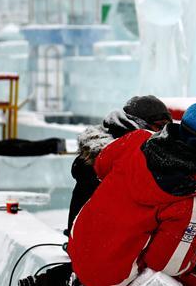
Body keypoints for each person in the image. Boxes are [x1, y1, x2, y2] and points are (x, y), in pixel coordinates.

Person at [21, 101, 196, 286]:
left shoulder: (139, 139)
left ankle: (66, 282)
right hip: (111, 278)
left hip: (79, 244)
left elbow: (101, 165)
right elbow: (166, 265)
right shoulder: (192, 195)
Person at [66, 95, 172, 234]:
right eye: (159, 126)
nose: (163, 133)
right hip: (98, 244)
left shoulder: (120, 151)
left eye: (167, 127)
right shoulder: (112, 160)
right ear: (138, 124)